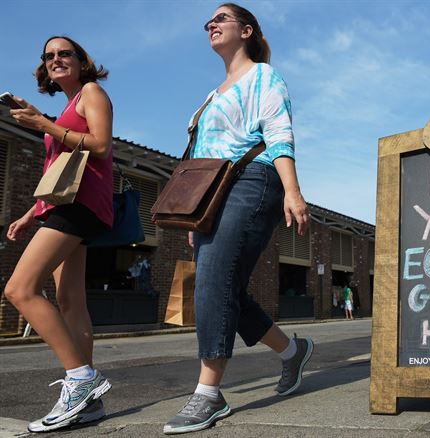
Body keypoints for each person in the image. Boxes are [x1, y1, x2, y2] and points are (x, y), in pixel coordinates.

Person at [163, 4, 313, 434]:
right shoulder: (211, 95)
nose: (211, 24)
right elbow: (200, 158)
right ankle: (292, 352)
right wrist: (196, 216)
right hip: (212, 194)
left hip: (253, 180)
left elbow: (278, 133)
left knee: (214, 282)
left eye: (222, 18)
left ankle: (209, 395)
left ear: (246, 30)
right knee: (223, 285)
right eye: (208, 21)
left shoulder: (264, 76)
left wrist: (293, 191)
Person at [3, 36, 114, 432]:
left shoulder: (92, 93)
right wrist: (31, 213)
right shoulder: (67, 105)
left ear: (82, 60)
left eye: (64, 53)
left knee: (19, 289)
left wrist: (44, 125)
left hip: (80, 209)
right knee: (70, 302)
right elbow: (61, 173)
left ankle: (81, 378)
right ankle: (89, 405)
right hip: (64, 205)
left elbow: (100, 146)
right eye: (49, 56)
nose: (56, 60)